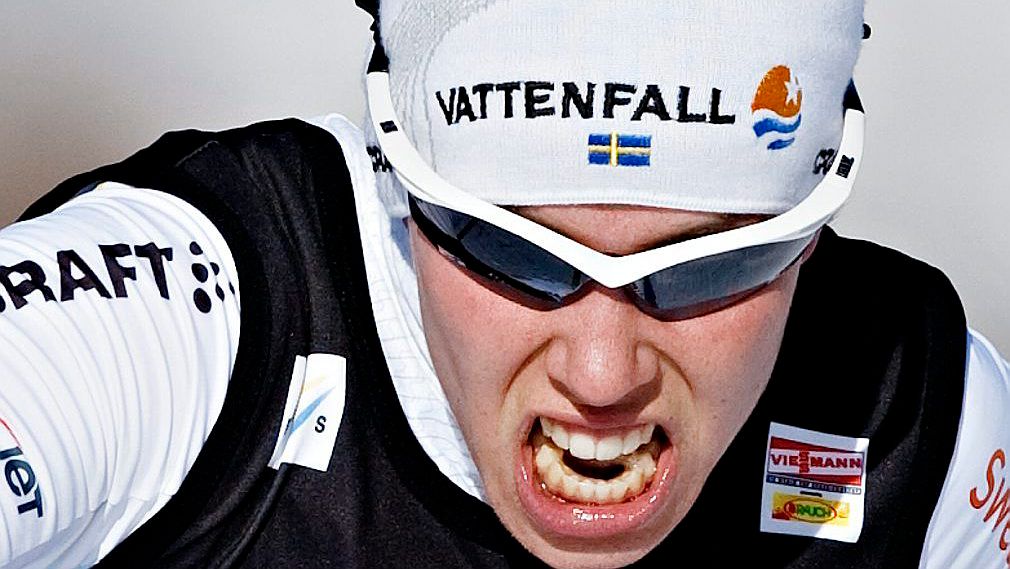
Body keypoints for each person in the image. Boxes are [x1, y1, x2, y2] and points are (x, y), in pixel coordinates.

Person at [0, 1, 1007, 568]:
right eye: (513, 252)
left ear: (809, 235)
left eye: (706, 267)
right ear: (403, 187)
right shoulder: (186, 317)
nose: (602, 373)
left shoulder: (915, 421)